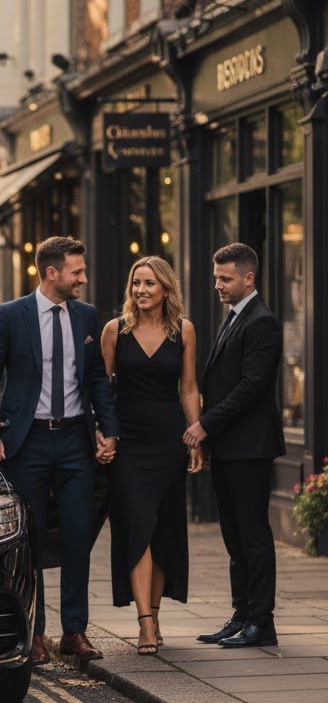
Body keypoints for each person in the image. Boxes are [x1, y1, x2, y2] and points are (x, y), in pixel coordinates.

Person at [0, 236, 118, 666]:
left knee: (78, 536)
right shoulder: (12, 315)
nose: (83, 279)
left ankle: (74, 632)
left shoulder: (87, 316)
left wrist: (109, 431)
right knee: (29, 543)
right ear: (51, 273)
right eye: (76, 271)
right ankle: (33, 634)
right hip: (27, 441)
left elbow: (96, 381)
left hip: (74, 440)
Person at [184, 243, 285, 648]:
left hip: (250, 448)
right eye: (215, 277)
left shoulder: (262, 322)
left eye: (225, 278)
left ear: (249, 278)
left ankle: (262, 622)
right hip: (228, 447)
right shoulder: (233, 318)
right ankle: (242, 615)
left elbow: (252, 388)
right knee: (233, 537)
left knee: (253, 537)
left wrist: (204, 425)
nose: (217, 285)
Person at [100, 256, 202, 655]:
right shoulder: (115, 331)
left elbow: (190, 387)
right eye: (135, 283)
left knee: (162, 530)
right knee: (138, 525)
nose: (141, 290)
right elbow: (101, 389)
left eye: (149, 284)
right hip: (128, 441)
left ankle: (154, 614)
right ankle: (144, 623)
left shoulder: (184, 330)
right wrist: (102, 432)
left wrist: (196, 438)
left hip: (168, 439)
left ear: (165, 289)